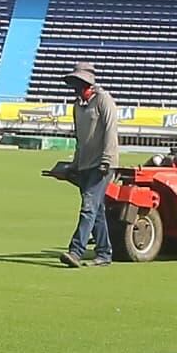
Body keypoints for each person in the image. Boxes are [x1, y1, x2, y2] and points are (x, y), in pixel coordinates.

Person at [58, 63, 122, 267]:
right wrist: (73, 165)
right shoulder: (77, 106)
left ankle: (75, 251)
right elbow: (80, 139)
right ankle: (104, 252)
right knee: (97, 210)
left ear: (87, 83)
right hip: (85, 164)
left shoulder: (104, 100)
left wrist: (106, 160)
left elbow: (111, 132)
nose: (76, 88)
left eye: (79, 84)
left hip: (103, 164)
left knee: (88, 207)